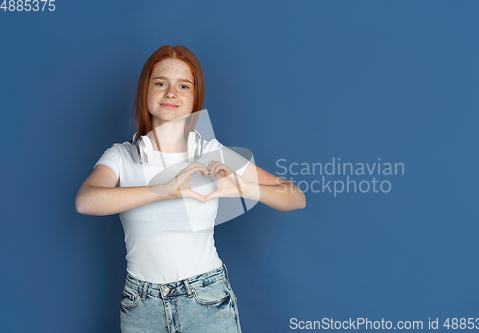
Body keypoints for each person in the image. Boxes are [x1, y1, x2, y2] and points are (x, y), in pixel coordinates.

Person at [75, 45, 306, 333]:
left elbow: (296, 197)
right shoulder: (121, 156)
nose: (171, 93)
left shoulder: (211, 153)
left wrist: (243, 186)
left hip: (206, 301)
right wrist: (166, 189)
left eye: (183, 86)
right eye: (161, 83)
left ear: (194, 97)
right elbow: (86, 201)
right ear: (144, 91)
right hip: (141, 306)